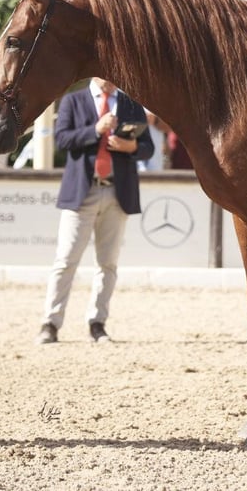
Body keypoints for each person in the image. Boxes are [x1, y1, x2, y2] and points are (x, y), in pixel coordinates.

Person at [36, 78, 154, 344]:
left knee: (108, 263)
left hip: (116, 192)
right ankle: (50, 323)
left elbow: (148, 147)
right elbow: (62, 139)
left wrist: (132, 147)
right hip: (82, 192)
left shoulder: (130, 103)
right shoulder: (73, 100)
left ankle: (97, 323)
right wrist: (95, 130)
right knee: (66, 260)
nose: (111, 80)